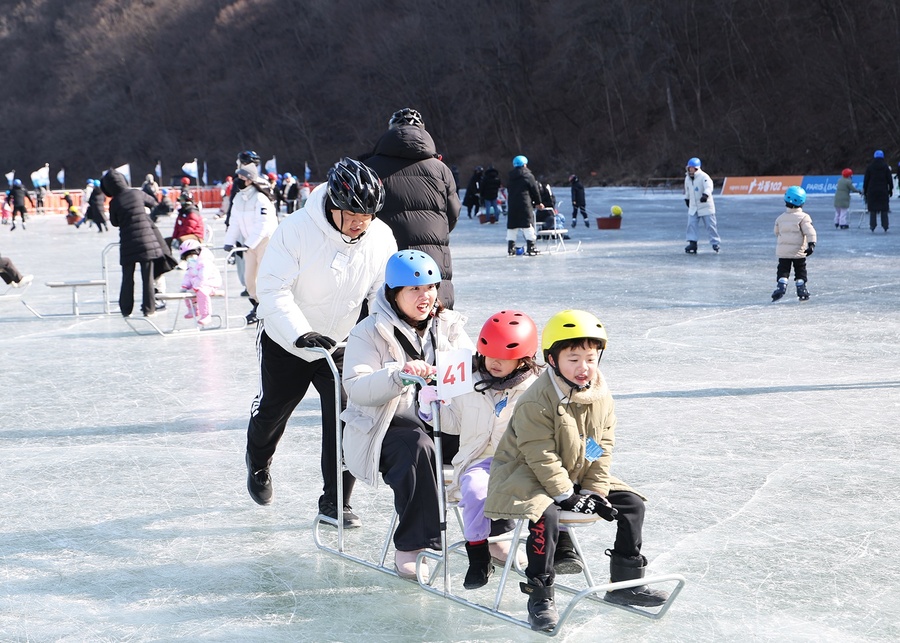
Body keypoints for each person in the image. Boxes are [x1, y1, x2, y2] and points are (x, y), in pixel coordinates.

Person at [485, 309, 669, 632]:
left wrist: (593, 491)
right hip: (523, 474)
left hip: (574, 471)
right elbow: (539, 455)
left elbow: (599, 446)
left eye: (590, 358)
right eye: (573, 359)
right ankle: (540, 595)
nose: (584, 367)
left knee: (631, 504)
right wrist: (567, 496)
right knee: (547, 514)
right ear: (553, 360)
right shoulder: (535, 401)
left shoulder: (600, 394)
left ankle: (626, 583)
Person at [245, 158, 397, 530]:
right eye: (352, 213)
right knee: (273, 412)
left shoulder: (380, 237)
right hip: (288, 341)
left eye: (368, 214)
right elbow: (272, 289)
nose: (361, 221)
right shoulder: (296, 229)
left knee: (346, 417)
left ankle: (335, 502)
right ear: (332, 203)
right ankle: (259, 462)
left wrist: (384, 335)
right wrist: (300, 332)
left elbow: (382, 295)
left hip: (341, 343)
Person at [341, 249, 473, 579]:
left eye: (430, 288)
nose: (425, 296)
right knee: (416, 447)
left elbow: (473, 368)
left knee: (490, 441)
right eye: (414, 289)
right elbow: (356, 386)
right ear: (394, 293)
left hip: (444, 419)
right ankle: (413, 545)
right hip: (385, 427)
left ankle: (497, 532)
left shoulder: (449, 325)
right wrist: (397, 374)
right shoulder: (367, 332)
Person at [439, 310, 541, 589]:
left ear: (523, 359)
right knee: (473, 489)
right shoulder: (468, 381)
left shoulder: (535, 390)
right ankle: (478, 556)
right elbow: (454, 422)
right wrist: (432, 407)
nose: (495, 362)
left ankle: (549, 558)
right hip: (477, 462)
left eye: (505, 356)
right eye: (490, 353)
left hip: (518, 464)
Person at [363, 107, 461, 309]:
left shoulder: (370, 167)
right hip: (431, 254)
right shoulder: (440, 169)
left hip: (385, 254)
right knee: (433, 316)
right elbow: (453, 213)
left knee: (383, 315)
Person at [102, 168, 173, 317]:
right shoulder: (136, 193)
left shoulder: (114, 202)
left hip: (128, 244)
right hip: (147, 241)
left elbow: (114, 222)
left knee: (127, 278)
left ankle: (126, 309)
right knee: (147, 278)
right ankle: (149, 309)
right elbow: (153, 202)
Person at [223, 156, 278, 325]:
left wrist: (249, 243)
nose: (238, 181)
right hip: (249, 244)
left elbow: (264, 225)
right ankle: (257, 304)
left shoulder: (261, 199)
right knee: (249, 280)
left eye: (242, 178)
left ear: (250, 180)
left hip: (264, 243)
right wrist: (229, 241)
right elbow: (234, 222)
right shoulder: (239, 198)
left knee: (263, 278)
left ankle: (265, 309)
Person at [772, 186, 817, 302]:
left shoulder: (780, 218)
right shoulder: (803, 217)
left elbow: (776, 232)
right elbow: (810, 231)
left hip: (783, 252)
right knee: (800, 269)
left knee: (783, 269)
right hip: (798, 252)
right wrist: (811, 244)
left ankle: (781, 285)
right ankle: (801, 287)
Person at [178, 239, 222, 326]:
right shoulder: (191, 264)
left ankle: (206, 315)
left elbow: (204, 275)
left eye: (192, 255)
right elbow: (188, 275)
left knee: (202, 292)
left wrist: (197, 285)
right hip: (197, 284)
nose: (190, 258)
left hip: (210, 282)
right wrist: (185, 285)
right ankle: (193, 309)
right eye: (188, 257)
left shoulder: (205, 262)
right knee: (186, 292)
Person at [506, 155, 543, 256]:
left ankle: (511, 248)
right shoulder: (528, 175)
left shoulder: (510, 176)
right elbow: (535, 190)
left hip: (512, 204)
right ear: (525, 164)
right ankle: (531, 248)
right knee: (527, 225)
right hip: (524, 204)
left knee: (512, 226)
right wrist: (538, 203)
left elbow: (509, 189)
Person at [683, 157, 720, 253]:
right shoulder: (687, 178)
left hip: (705, 206)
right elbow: (687, 190)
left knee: (710, 225)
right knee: (691, 224)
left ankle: (715, 243)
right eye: (689, 168)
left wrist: (706, 195)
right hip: (693, 206)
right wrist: (687, 199)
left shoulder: (704, 177)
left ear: (697, 168)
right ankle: (692, 243)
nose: (691, 170)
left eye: (693, 168)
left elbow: (709, 186)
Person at [863, 149, 891, 232]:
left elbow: (866, 180)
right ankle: (885, 225)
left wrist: (865, 190)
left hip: (872, 191)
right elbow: (889, 179)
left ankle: (872, 225)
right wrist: (891, 189)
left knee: (872, 209)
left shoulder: (870, 167)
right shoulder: (885, 167)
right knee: (884, 209)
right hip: (883, 190)